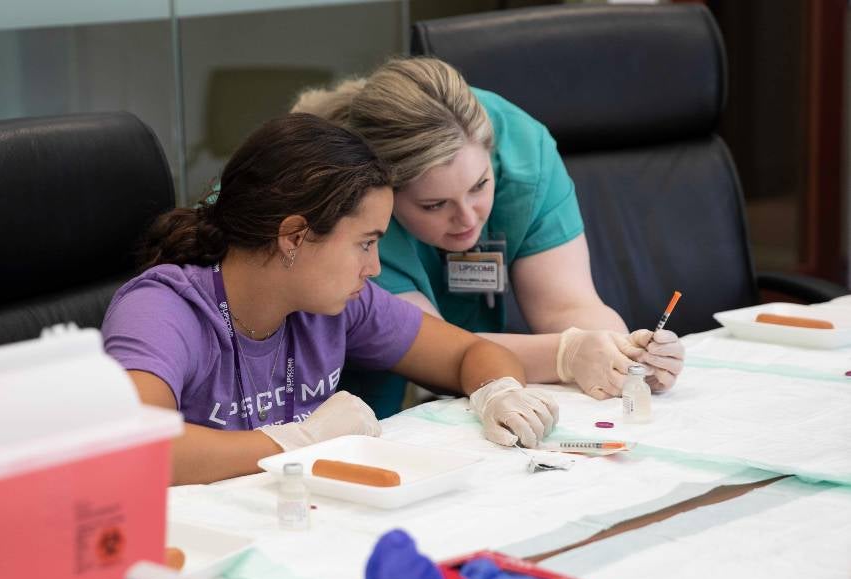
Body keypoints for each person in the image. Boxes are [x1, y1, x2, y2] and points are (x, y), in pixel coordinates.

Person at [102, 113, 559, 485]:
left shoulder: (337, 303)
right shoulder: (162, 308)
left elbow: (470, 353)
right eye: (365, 243)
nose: (375, 267)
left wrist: (499, 393)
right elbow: (136, 450)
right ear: (295, 236)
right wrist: (301, 438)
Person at [293, 57, 685, 417]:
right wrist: (568, 355)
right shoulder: (354, 197)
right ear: (385, 194)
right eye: (434, 205)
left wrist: (624, 356)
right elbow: (430, 353)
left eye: (480, 185)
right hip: (341, 387)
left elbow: (567, 307)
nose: (467, 218)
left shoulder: (523, 153)